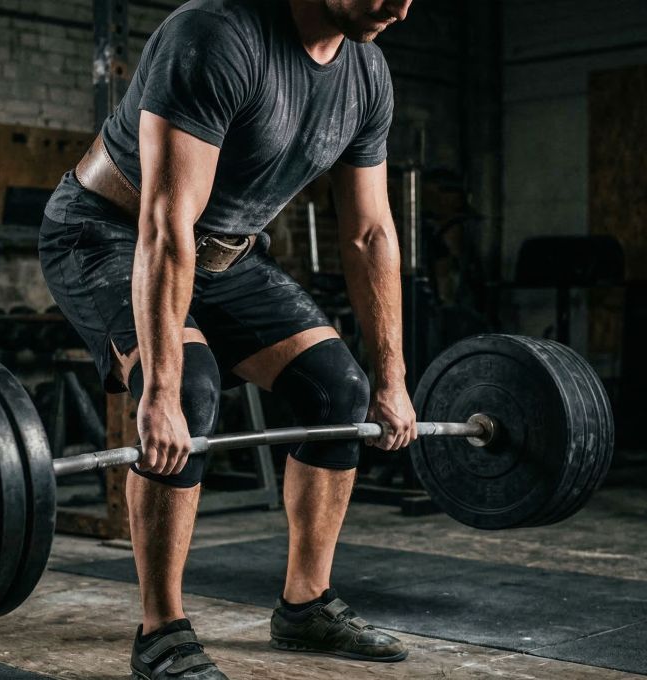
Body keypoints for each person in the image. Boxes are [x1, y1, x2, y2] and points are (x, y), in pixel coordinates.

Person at [39, 1, 417, 677]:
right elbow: (164, 220)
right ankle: (161, 631)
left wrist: (392, 378)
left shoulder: (369, 75)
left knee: (338, 391)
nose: (401, 4)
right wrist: (155, 389)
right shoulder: (215, 36)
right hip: (105, 233)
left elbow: (369, 233)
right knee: (187, 387)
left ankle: (306, 607)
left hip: (223, 256)